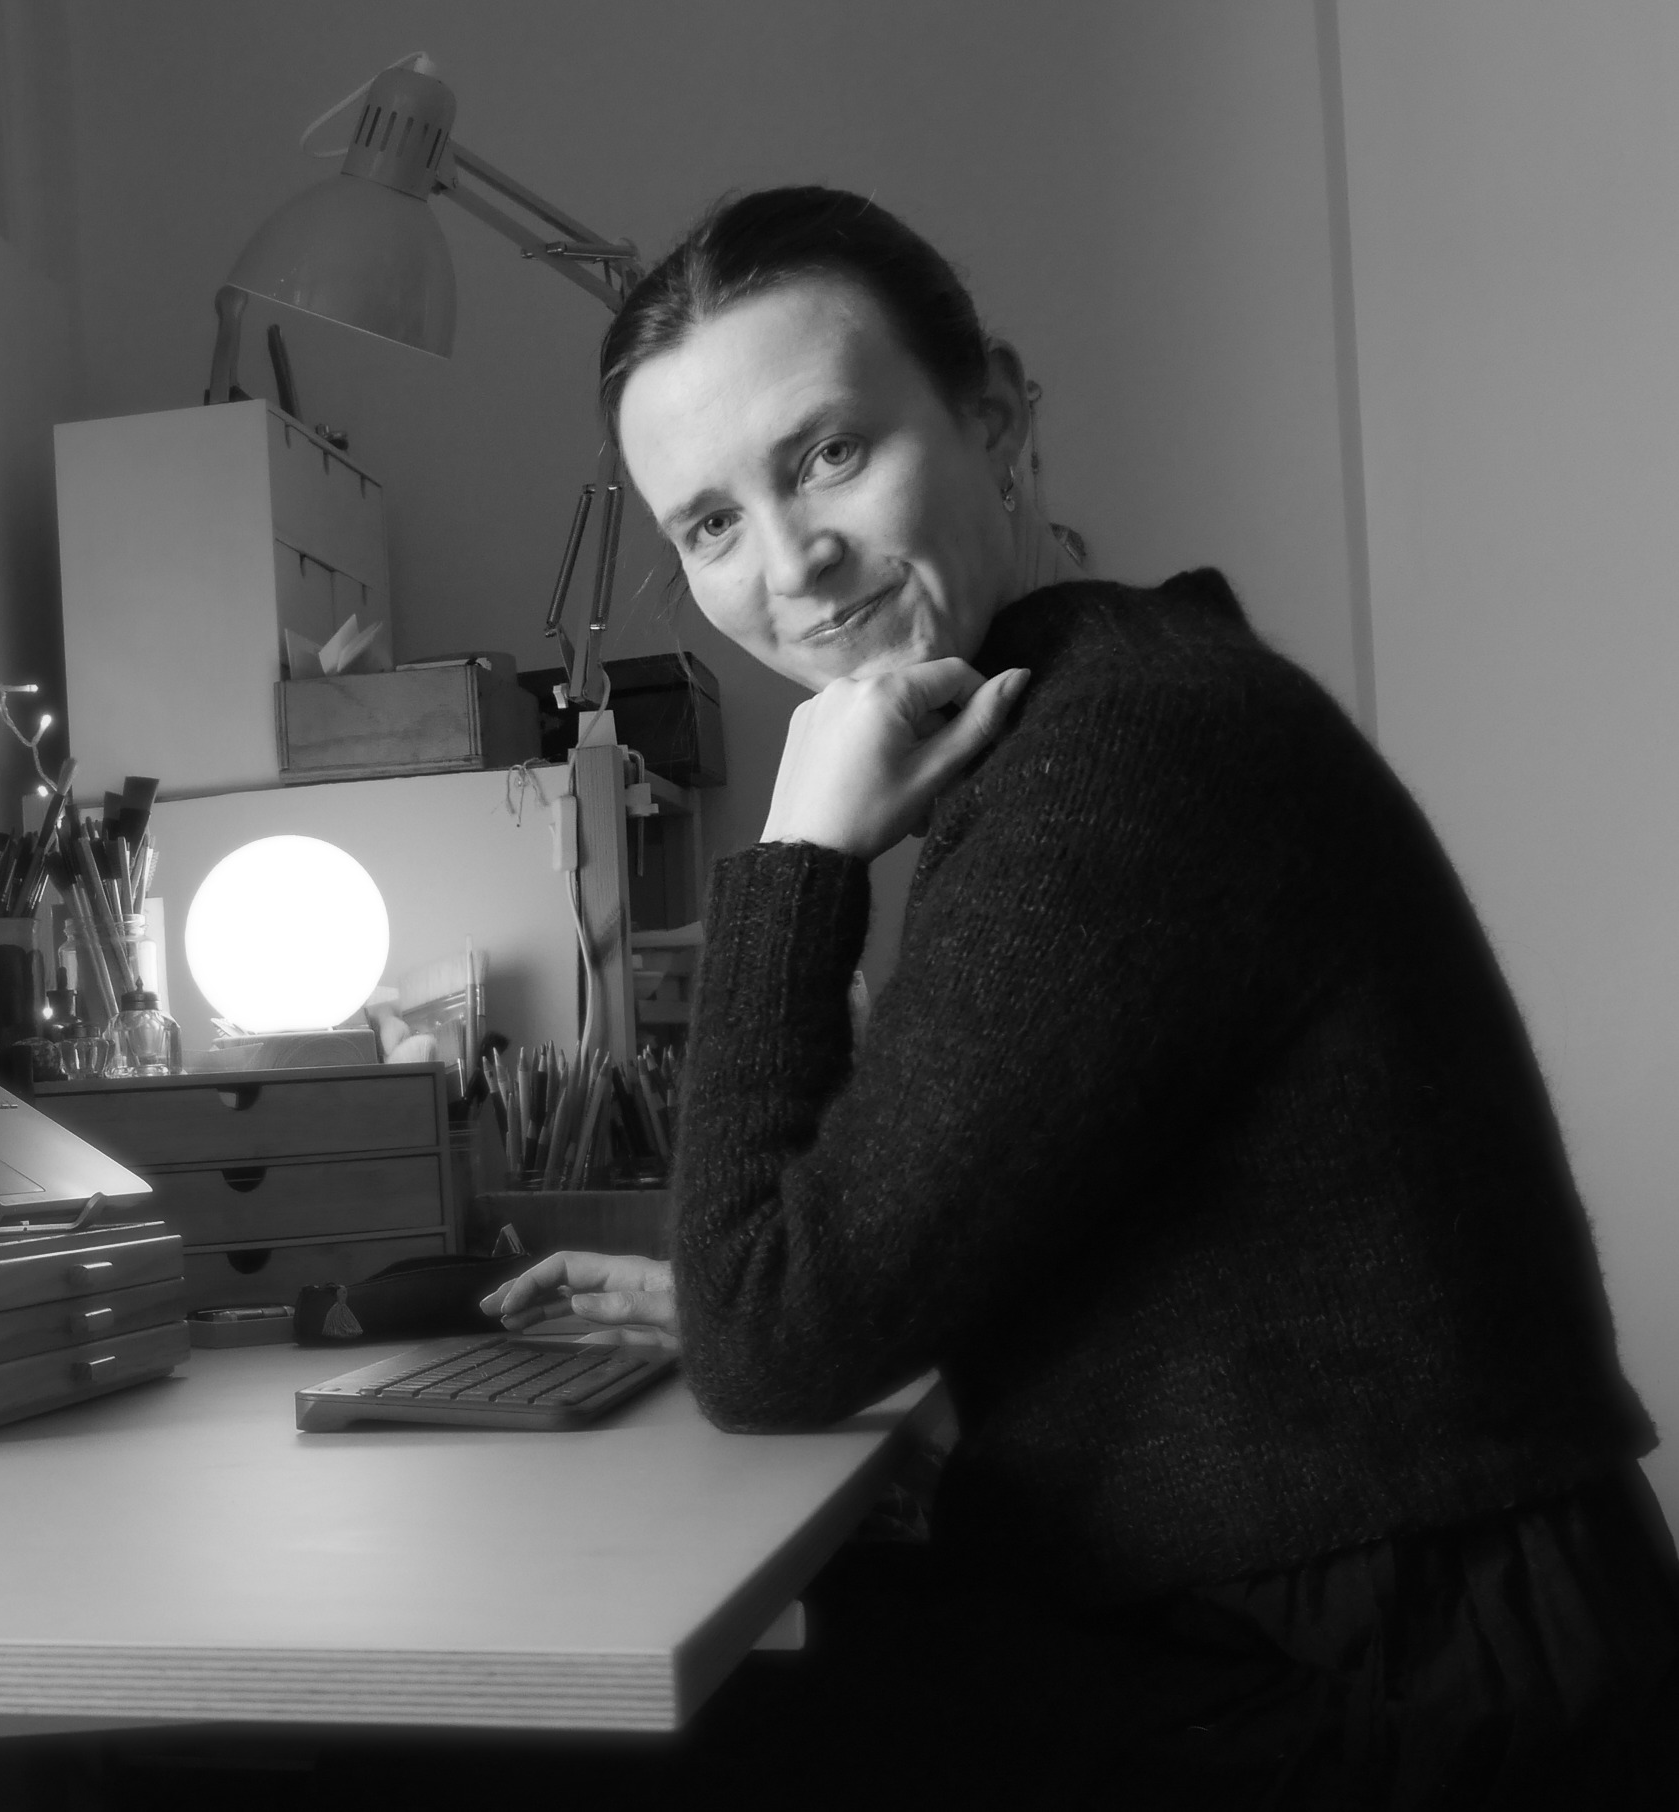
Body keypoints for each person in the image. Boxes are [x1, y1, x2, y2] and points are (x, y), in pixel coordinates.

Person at [477, 186, 1678, 1806]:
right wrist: (750, 1298)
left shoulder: (1121, 758)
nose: (790, 562)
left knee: (507, 1735)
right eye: (707, 524)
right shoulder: (1093, 701)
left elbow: (777, 1338)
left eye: (828, 452)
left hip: (1389, 1682)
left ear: (994, 415)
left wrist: (792, 853)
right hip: (1365, 1614)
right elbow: (934, 1226)